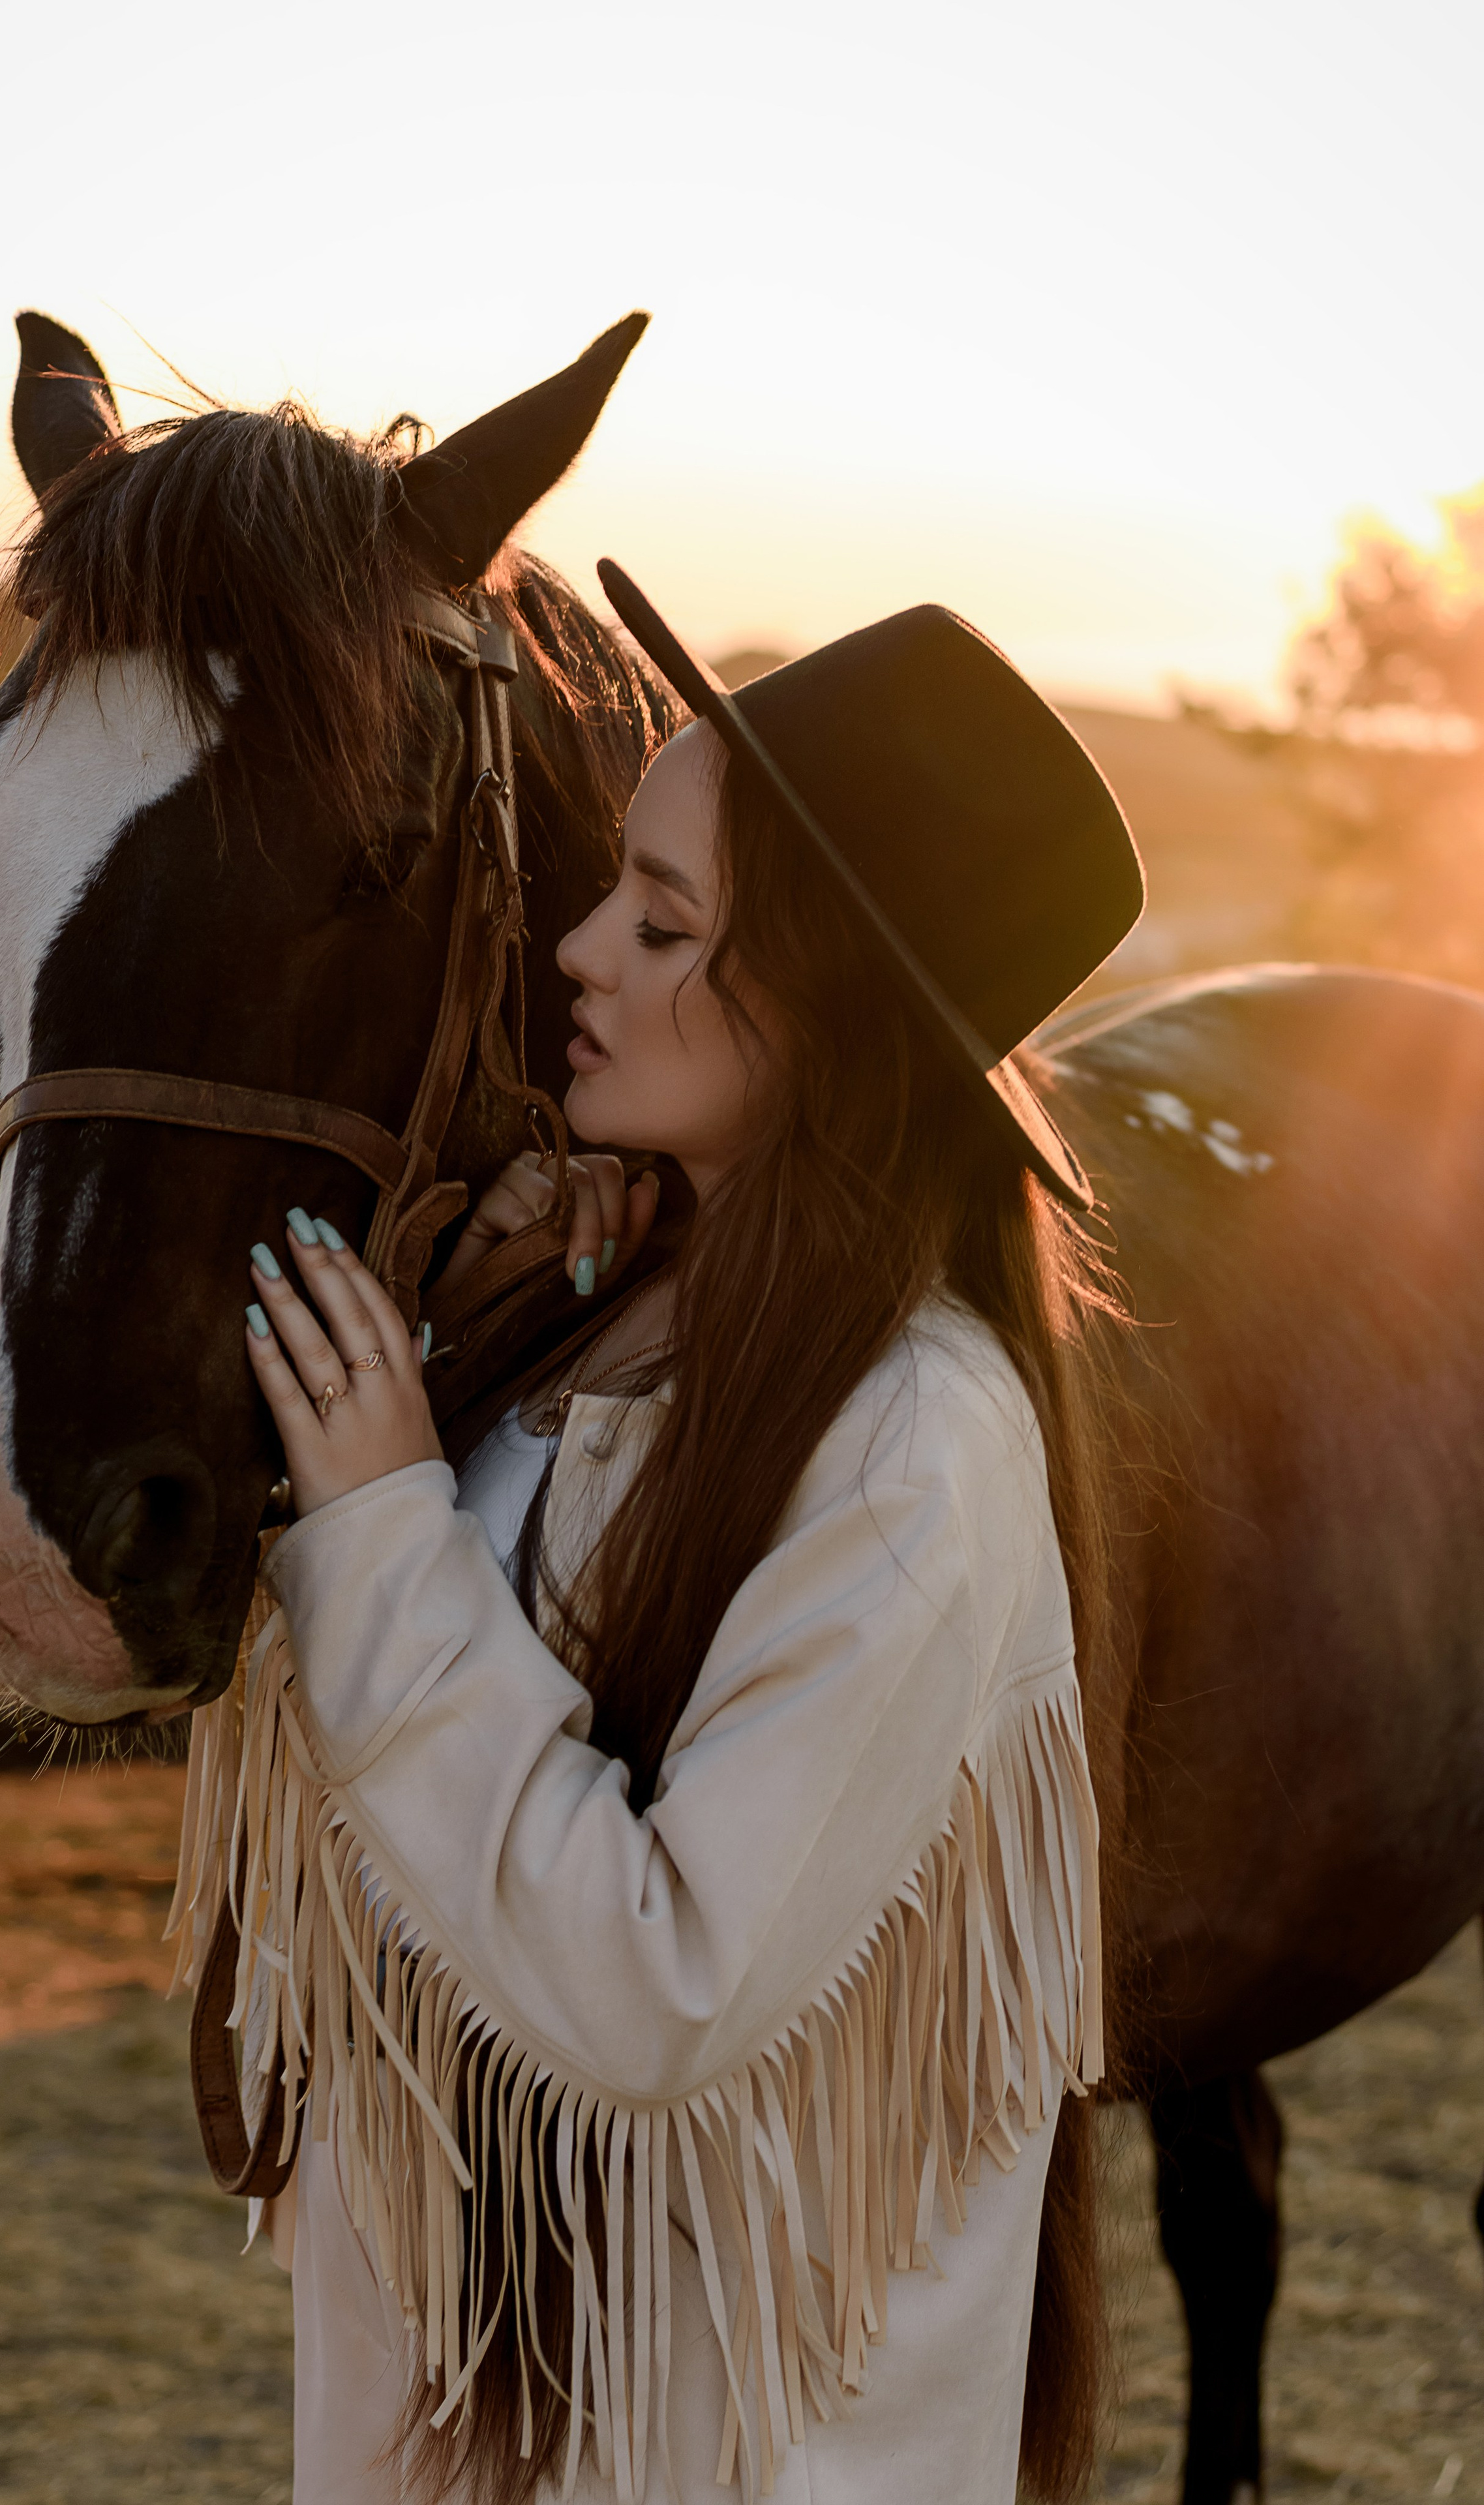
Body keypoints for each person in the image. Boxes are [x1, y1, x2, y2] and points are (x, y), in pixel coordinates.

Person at [197, 564, 1143, 2504]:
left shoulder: (914, 1448)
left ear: (831, 1003)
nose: (577, 948)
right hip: (475, 2416)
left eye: (662, 917)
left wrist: (384, 1528)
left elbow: (662, 1986)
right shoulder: (609, 1307)